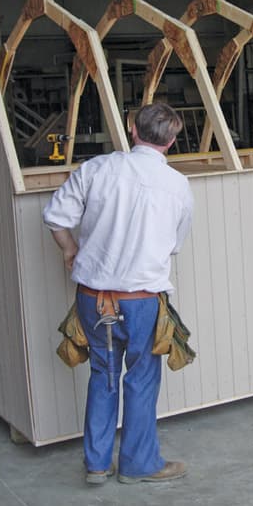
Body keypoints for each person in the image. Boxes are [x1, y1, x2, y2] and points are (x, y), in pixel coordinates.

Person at [42, 102, 194, 485]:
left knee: (103, 376)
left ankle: (96, 465)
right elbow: (173, 245)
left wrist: (69, 249)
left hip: (93, 298)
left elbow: (56, 217)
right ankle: (138, 465)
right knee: (141, 380)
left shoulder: (97, 168)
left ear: (132, 128)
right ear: (173, 140)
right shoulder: (177, 184)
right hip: (142, 301)